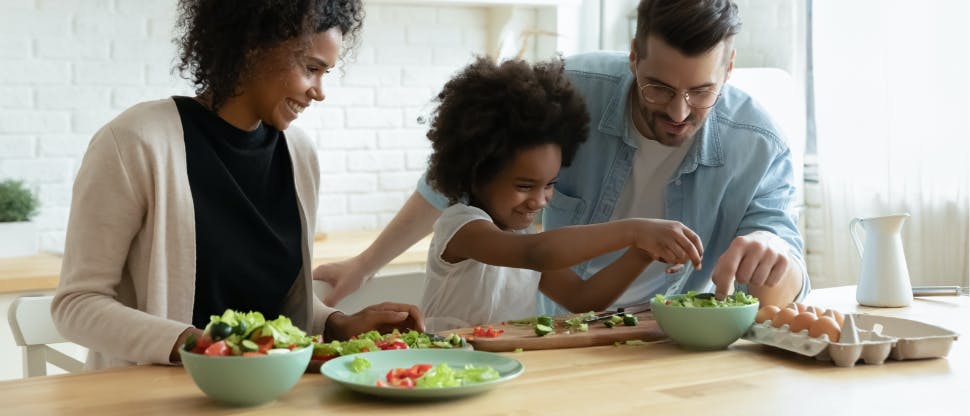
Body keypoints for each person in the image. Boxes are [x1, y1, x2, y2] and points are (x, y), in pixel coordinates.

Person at [315, 0, 810, 312]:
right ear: (633, 56)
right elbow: (519, 239)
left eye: (701, 91)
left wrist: (647, 251)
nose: (679, 112)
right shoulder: (566, 92)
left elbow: (582, 297)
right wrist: (365, 264)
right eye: (658, 88)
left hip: (643, 336)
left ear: (728, 70)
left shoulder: (760, 142)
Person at [52, 0, 423, 371]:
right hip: (155, 398)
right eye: (311, 69)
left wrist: (336, 324)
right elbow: (77, 304)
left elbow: (275, 308)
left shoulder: (300, 155)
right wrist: (198, 344)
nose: (320, 91)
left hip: (268, 390)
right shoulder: (134, 142)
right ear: (252, 49)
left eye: (325, 73)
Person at [416, 57, 703, 331]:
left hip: (497, 372)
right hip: (442, 371)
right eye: (525, 186)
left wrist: (642, 252)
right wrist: (636, 230)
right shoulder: (460, 227)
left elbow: (582, 298)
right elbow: (538, 254)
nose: (540, 201)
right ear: (476, 173)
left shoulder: (521, 239)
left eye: (550, 184)